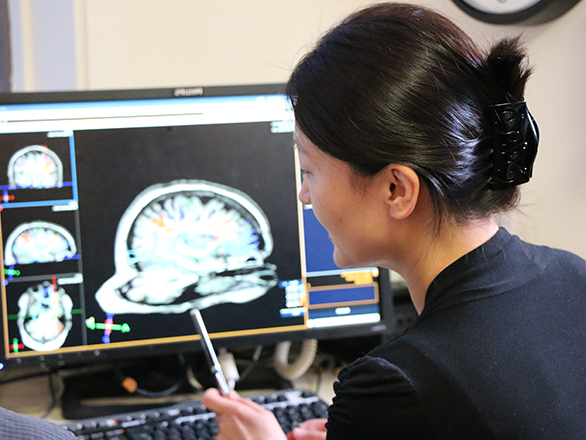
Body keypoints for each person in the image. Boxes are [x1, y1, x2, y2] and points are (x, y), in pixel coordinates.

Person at [202, 2, 586, 439]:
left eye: (308, 170)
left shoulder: (393, 385)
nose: (303, 195)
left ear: (396, 190)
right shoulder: (574, 276)